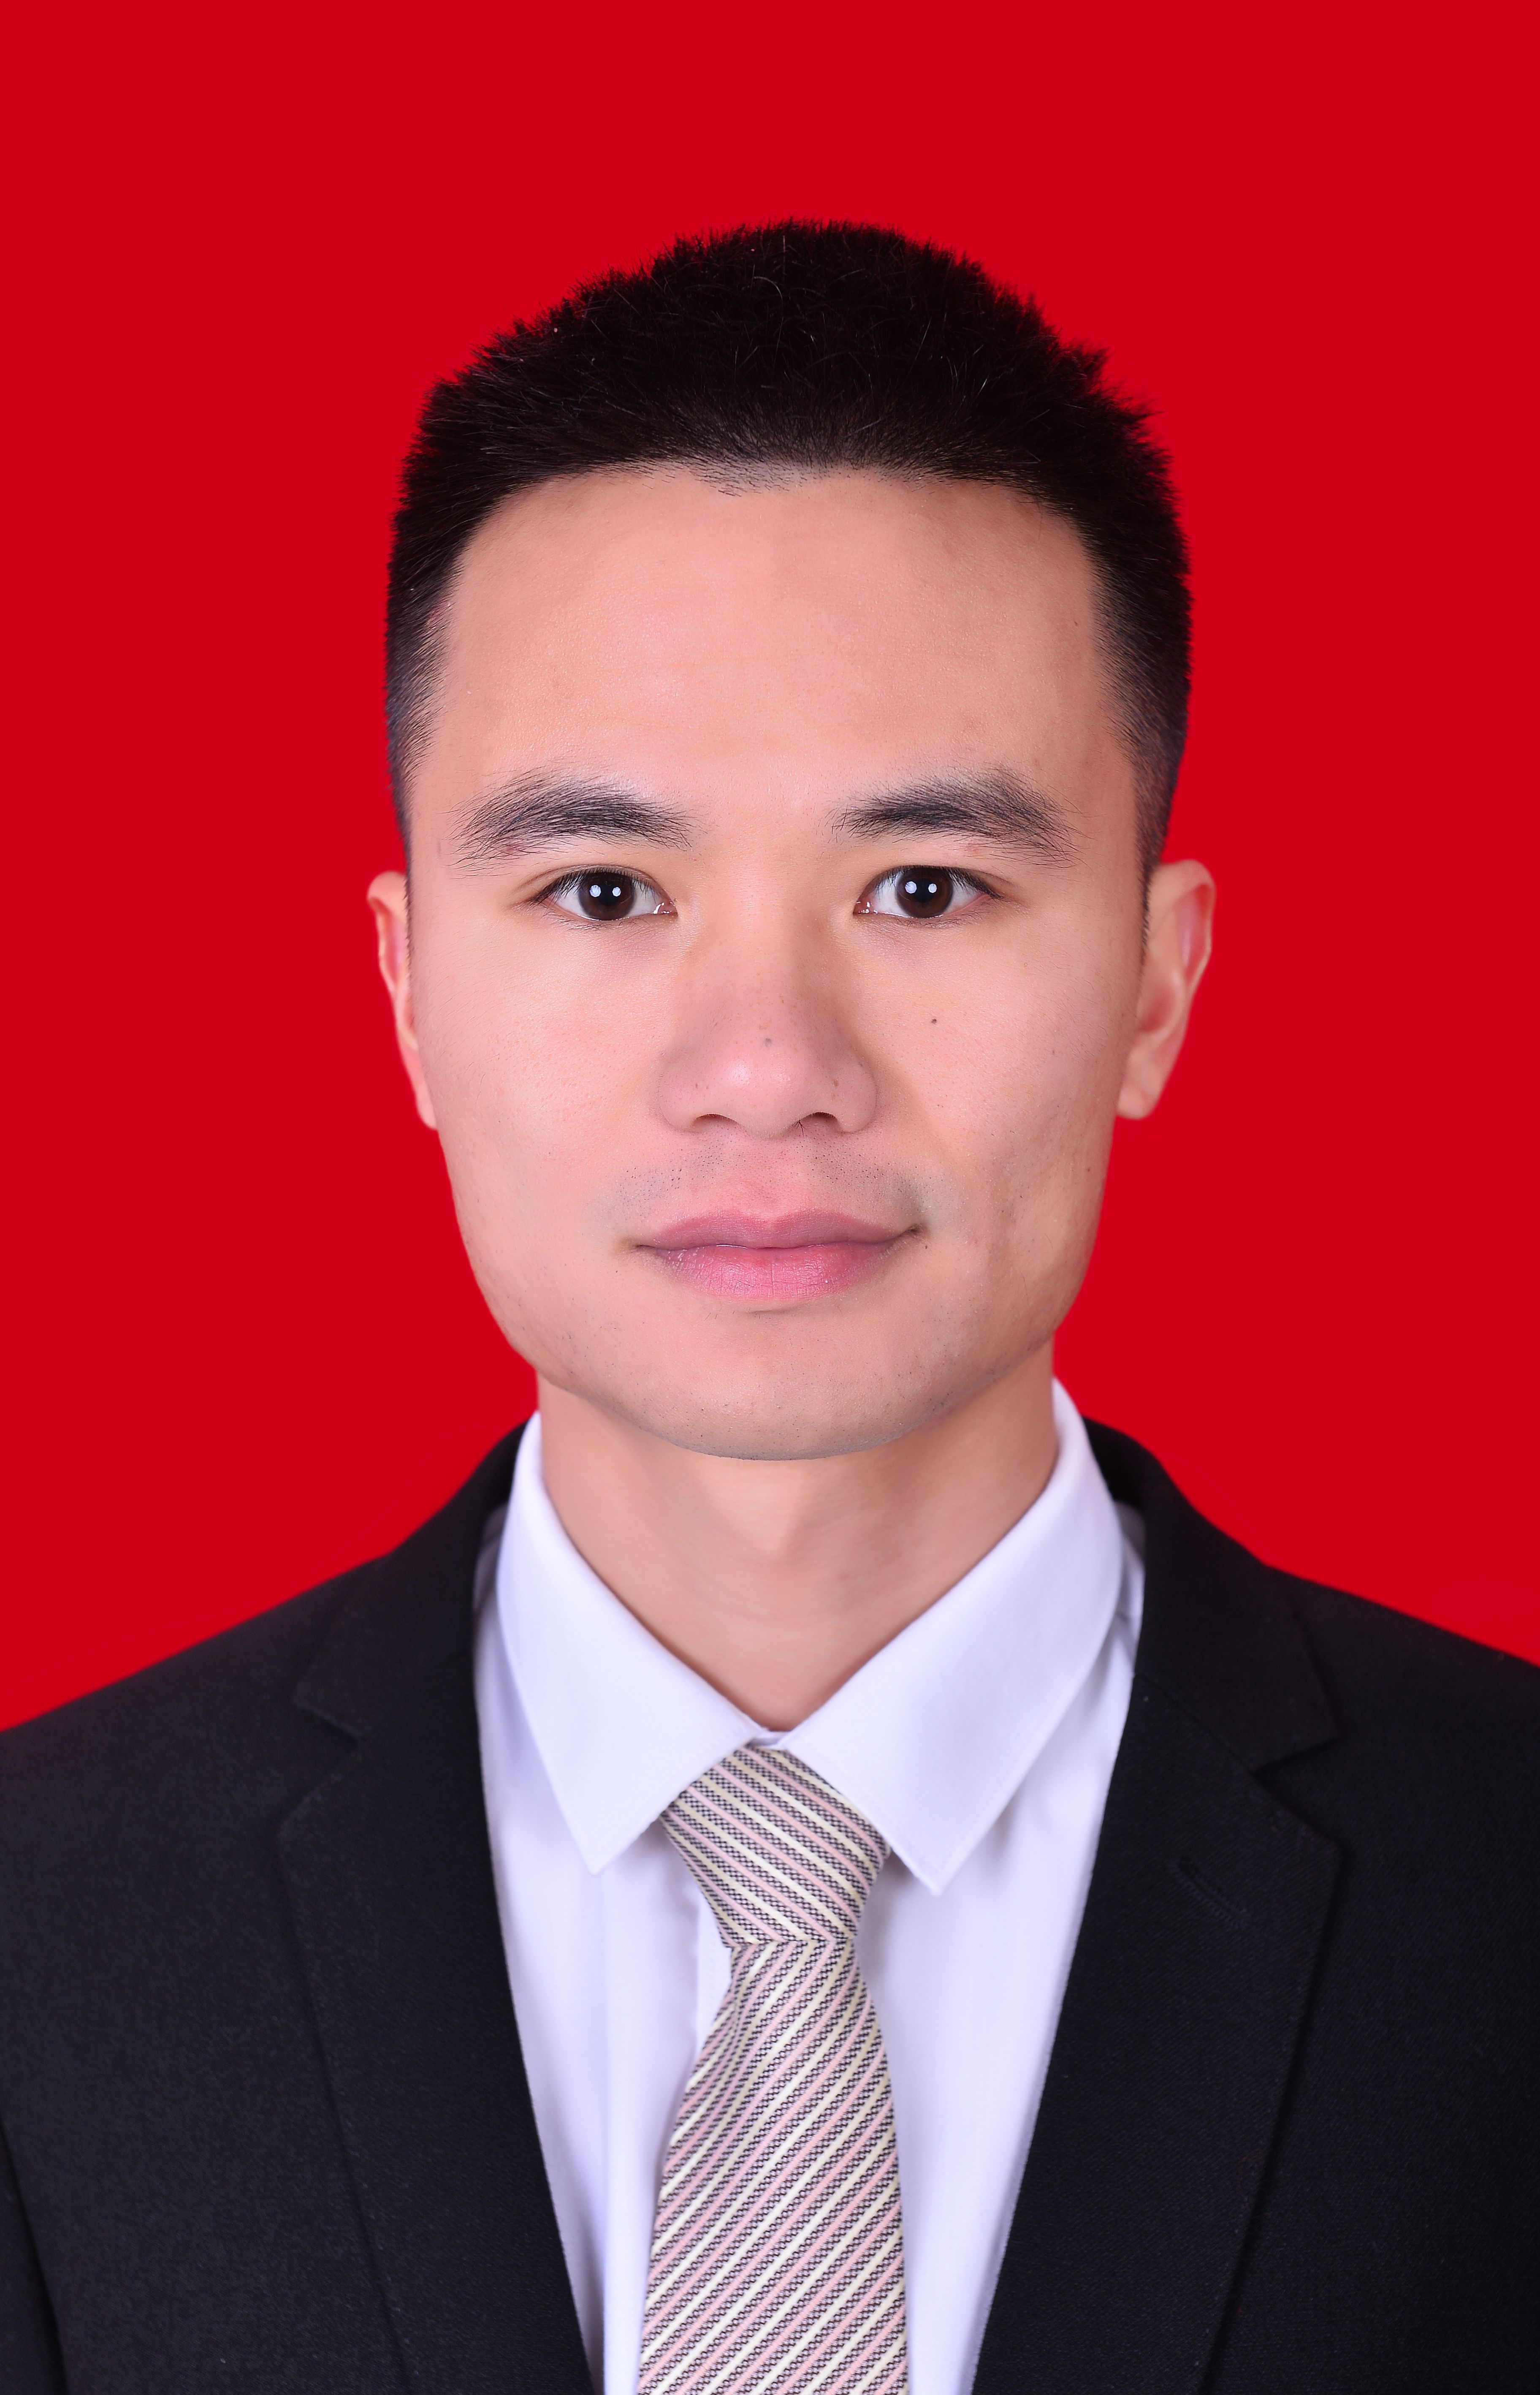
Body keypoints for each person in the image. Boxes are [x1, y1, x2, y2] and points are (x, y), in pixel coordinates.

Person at [1, 221, 1535, 2395]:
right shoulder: (46, 1922)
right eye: (603, 888)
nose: (766, 1063)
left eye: (925, 886)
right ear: (411, 990)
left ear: (1154, 979)